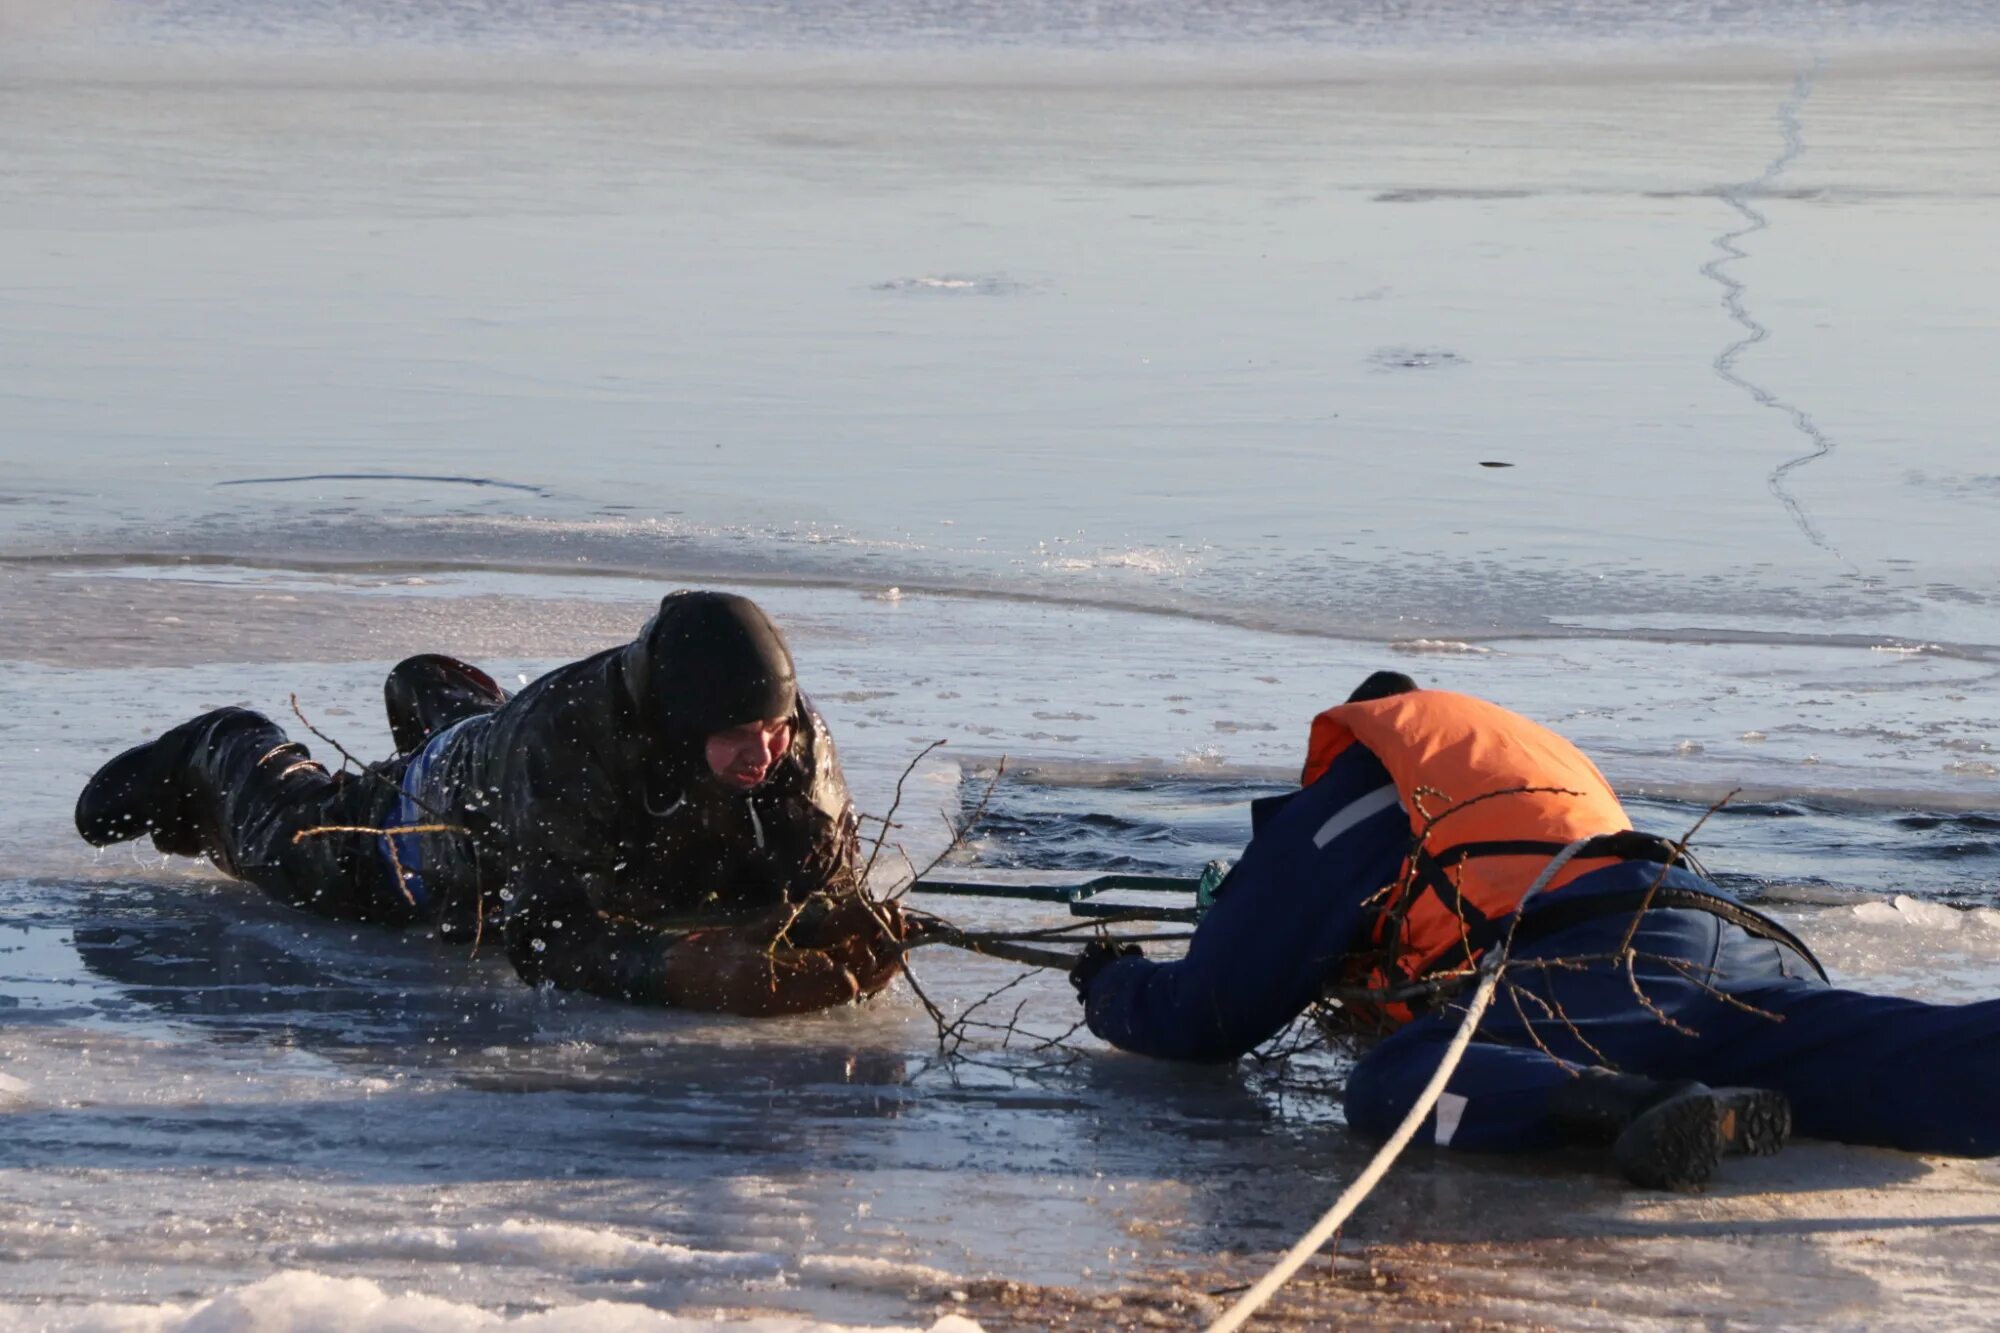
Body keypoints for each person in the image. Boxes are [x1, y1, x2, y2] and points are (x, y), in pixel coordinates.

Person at [1073, 672, 2000, 1189]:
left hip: (1600, 972)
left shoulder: (1367, 788)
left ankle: (1630, 1109)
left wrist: (1110, 983)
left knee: (1396, 1082)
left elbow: (1207, 1013)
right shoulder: (1517, 767)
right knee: (1896, 1060)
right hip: (1727, 941)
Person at [74, 590, 905, 1015]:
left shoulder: (792, 742)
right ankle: (223, 744)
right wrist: (689, 971)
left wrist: (839, 921)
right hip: (448, 825)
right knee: (306, 858)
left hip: (546, 786)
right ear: (679, 721)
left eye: (775, 727)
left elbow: (823, 879)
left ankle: (445, 697)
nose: (766, 749)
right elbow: (542, 937)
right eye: (740, 732)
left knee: (499, 745)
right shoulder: (565, 745)